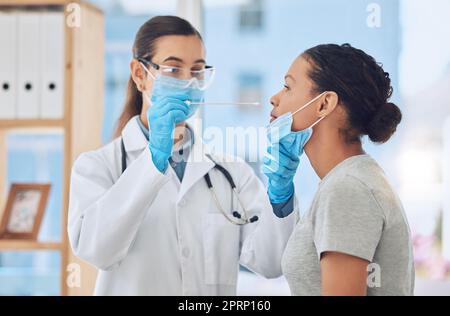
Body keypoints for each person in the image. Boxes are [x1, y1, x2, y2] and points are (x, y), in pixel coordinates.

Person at [67, 15, 298, 296]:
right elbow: (97, 250)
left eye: (197, 71)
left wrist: (281, 196)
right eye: (174, 69)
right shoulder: (98, 167)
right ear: (140, 74)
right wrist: (153, 161)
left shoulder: (231, 173)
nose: (188, 82)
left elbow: (270, 262)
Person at [263, 43, 414, 296]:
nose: (274, 98)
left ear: (324, 104)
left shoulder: (348, 187)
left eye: (288, 87)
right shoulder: (349, 181)